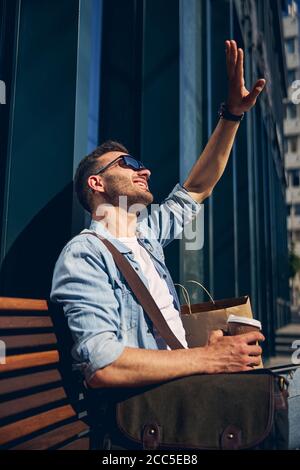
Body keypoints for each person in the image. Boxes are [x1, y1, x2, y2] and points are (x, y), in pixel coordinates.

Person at [50, 40, 300, 448]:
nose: (143, 169)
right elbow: (103, 364)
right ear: (96, 183)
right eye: (127, 164)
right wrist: (207, 359)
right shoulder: (85, 255)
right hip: (147, 417)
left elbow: (196, 189)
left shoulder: (144, 237)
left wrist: (232, 115)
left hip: (187, 390)